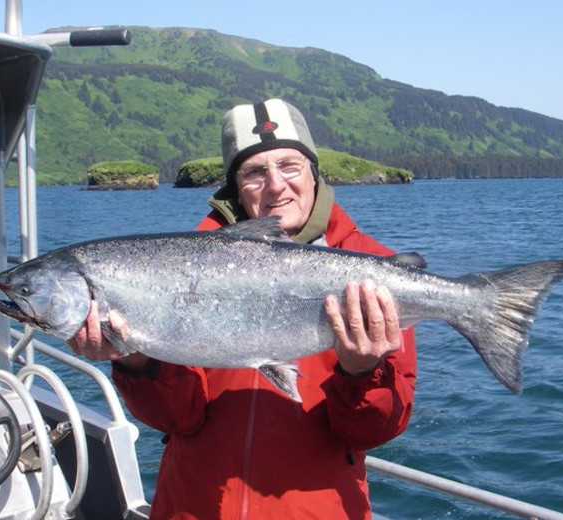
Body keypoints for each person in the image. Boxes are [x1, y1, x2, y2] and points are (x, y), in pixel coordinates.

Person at [68, 98, 417, 520]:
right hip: (192, 507)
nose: (276, 186)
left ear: (313, 173)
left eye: (290, 165)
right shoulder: (176, 269)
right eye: (254, 172)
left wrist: (363, 373)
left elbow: (373, 431)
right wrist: (136, 359)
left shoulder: (374, 276)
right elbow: (179, 418)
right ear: (236, 186)